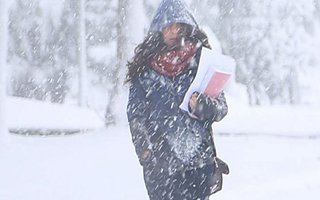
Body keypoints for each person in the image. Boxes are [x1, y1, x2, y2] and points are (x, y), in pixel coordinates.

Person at [126, 0, 229, 199]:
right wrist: (145, 152)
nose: (175, 31)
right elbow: (135, 115)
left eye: (179, 26)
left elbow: (221, 107)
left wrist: (203, 106)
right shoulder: (144, 70)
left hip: (199, 165)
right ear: (159, 29)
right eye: (170, 26)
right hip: (160, 168)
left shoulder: (201, 62)